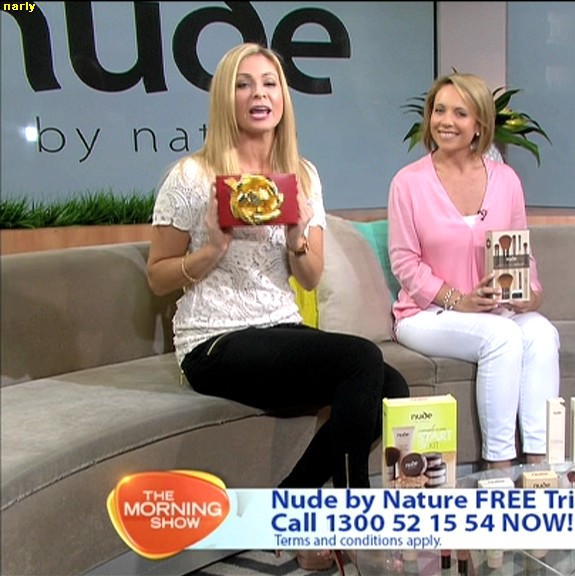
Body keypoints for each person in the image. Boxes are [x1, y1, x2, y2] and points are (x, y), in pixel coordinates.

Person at [145, 43, 408, 572]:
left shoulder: (301, 177)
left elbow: (309, 275)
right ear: (226, 98)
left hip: (280, 327)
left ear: (283, 97)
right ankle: (354, 520)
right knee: (361, 359)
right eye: (244, 84)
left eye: (269, 84)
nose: (258, 95)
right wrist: (212, 248)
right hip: (213, 339)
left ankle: (288, 503)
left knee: (393, 387)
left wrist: (296, 235)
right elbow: (157, 276)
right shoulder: (192, 176)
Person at [387, 72, 560, 469]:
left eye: (460, 113)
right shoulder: (408, 183)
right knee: (502, 337)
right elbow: (404, 262)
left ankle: (539, 465)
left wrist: (529, 294)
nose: (446, 121)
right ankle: (498, 466)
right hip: (427, 313)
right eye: (439, 111)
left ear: (480, 124)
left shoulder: (506, 180)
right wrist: (459, 300)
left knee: (541, 333)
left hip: (494, 310)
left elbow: (522, 253)